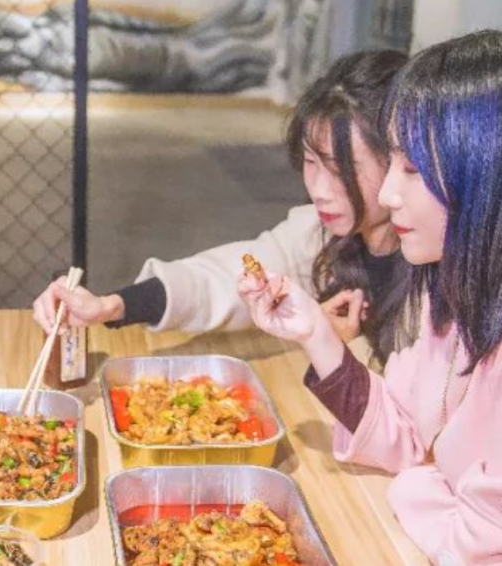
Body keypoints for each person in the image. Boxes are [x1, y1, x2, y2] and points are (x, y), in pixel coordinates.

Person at [239, 30, 502, 565]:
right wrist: (315, 333)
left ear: (481, 174)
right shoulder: (450, 292)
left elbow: (477, 543)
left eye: (412, 169)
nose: (387, 194)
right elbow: (404, 434)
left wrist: (418, 484)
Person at [34, 49, 414, 363]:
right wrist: (112, 305)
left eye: (341, 169)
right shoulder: (321, 234)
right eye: (311, 162)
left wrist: (333, 348)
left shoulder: (432, 269)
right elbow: (224, 278)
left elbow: (419, 416)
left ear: (403, 160)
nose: (318, 189)